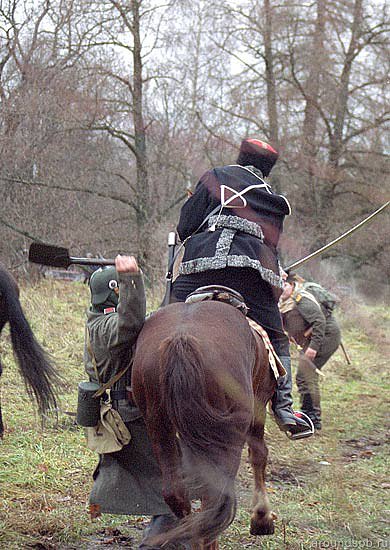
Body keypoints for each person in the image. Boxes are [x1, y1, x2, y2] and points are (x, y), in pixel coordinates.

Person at [171, 138, 312, 439]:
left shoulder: (216, 177)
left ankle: (131, 385)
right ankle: (284, 408)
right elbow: (271, 247)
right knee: (276, 336)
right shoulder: (273, 200)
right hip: (250, 276)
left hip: (201, 266)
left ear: (239, 156)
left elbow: (185, 226)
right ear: (267, 169)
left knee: (165, 320)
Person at [83, 255, 180, 550]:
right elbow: (131, 322)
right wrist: (132, 279)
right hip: (129, 419)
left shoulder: (98, 319)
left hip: (128, 413)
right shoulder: (106, 328)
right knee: (171, 485)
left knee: (167, 482)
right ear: (115, 292)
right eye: (121, 290)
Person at [279, 274, 342, 430]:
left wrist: (313, 347)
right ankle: (310, 413)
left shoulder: (301, 299)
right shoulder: (284, 303)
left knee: (305, 374)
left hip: (325, 336)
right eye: (279, 287)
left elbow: (319, 321)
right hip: (311, 339)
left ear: (291, 285)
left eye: (284, 286)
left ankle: (313, 417)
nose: (282, 289)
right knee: (304, 376)